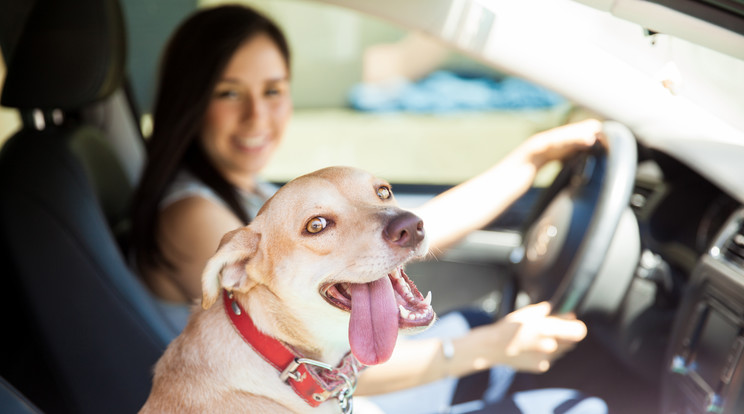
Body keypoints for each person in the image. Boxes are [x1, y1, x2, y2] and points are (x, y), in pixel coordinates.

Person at [129, 4, 606, 413]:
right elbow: (321, 368)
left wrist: (530, 159)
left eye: (273, 90)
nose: (258, 115)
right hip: (300, 390)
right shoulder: (193, 214)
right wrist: (492, 348)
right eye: (229, 92)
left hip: (325, 386)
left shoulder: (255, 191)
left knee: (491, 337)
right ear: (190, 100)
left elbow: (407, 230)